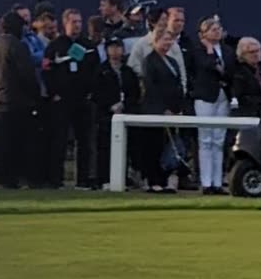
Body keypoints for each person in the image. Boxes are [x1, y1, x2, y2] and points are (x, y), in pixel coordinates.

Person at [44, 8, 99, 189]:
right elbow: (47, 72)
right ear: (65, 23)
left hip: (82, 100)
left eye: (79, 22)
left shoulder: (88, 46)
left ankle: (83, 180)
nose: (77, 26)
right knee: (58, 140)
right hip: (62, 102)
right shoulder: (55, 46)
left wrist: (90, 92)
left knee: (84, 141)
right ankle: (55, 180)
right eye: (73, 22)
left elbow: (95, 70)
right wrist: (54, 93)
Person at [0, 12, 40, 189]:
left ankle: (0, 180)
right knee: (19, 144)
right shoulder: (17, 46)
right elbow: (26, 74)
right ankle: (17, 178)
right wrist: (36, 95)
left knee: (2, 143)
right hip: (17, 101)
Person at [139, 29, 186, 193]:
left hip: (172, 111)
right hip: (154, 111)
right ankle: (153, 181)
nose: (167, 43)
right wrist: (162, 109)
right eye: (164, 40)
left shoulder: (172, 61)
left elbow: (178, 85)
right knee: (154, 146)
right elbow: (151, 88)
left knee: (168, 146)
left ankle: (166, 180)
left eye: (170, 40)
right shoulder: (149, 61)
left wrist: (177, 108)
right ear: (155, 41)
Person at [191, 17, 233, 194]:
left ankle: (217, 182)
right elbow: (206, 66)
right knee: (205, 139)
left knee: (219, 140)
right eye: (212, 29)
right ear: (204, 33)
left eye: (218, 29)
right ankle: (206, 182)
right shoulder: (198, 50)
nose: (217, 32)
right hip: (205, 97)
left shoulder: (227, 50)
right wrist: (209, 51)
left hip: (223, 97)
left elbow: (230, 71)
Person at [92, 36, 140, 187]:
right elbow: (96, 93)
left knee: (125, 147)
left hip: (125, 114)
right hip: (106, 115)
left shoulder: (128, 71)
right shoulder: (101, 71)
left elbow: (135, 93)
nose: (115, 51)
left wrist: (124, 104)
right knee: (105, 147)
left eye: (118, 47)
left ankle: (123, 177)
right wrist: (110, 106)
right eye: (112, 48)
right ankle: (105, 179)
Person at [230, 37, 261, 118]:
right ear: (242, 54)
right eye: (251, 52)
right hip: (248, 112)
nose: (256, 54)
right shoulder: (238, 71)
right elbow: (241, 95)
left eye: (258, 50)